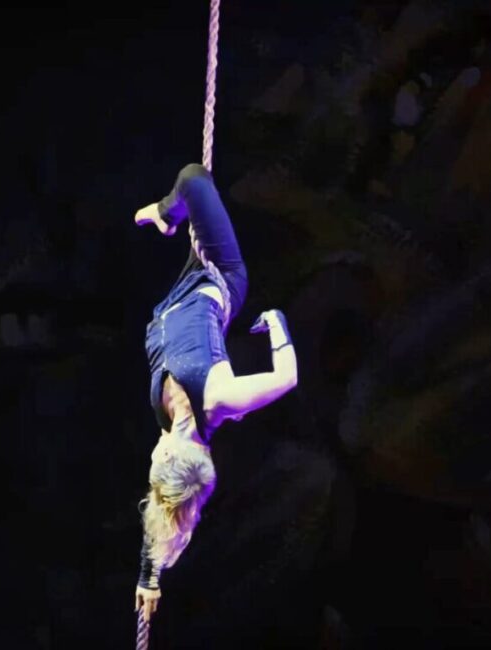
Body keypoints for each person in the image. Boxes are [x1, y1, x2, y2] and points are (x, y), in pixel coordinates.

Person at [133, 163, 297, 622]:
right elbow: (287, 378)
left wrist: (149, 578)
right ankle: (168, 213)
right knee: (192, 179)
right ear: (171, 454)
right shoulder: (219, 399)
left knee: (193, 187)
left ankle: (174, 216)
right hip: (218, 275)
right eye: (156, 463)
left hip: (180, 292)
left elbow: (163, 509)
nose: (151, 458)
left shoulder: (170, 436)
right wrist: (277, 324)